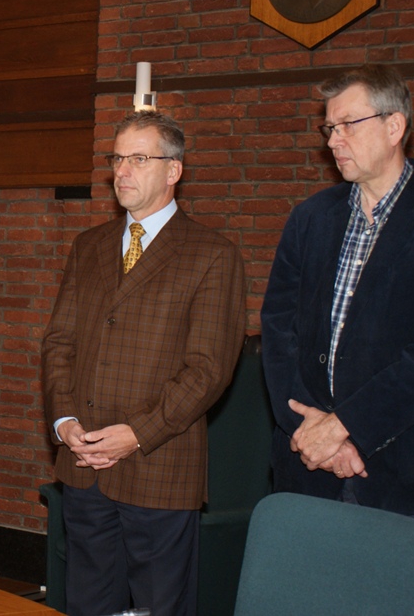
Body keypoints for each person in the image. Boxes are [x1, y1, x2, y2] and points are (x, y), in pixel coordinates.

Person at [41, 111, 245, 616]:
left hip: (159, 467)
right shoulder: (88, 245)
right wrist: (65, 421)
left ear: (173, 170)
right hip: (84, 465)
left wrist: (135, 432)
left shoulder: (212, 255)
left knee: (160, 607)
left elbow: (207, 370)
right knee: (87, 604)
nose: (122, 171)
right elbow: (58, 342)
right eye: (117, 158)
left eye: (139, 158)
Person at [261, 64, 414, 515]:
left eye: (348, 124)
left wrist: (349, 426)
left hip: (400, 471)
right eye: (329, 127)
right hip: (306, 465)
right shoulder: (311, 218)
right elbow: (278, 330)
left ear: (394, 126)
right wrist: (312, 434)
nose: (332, 141)